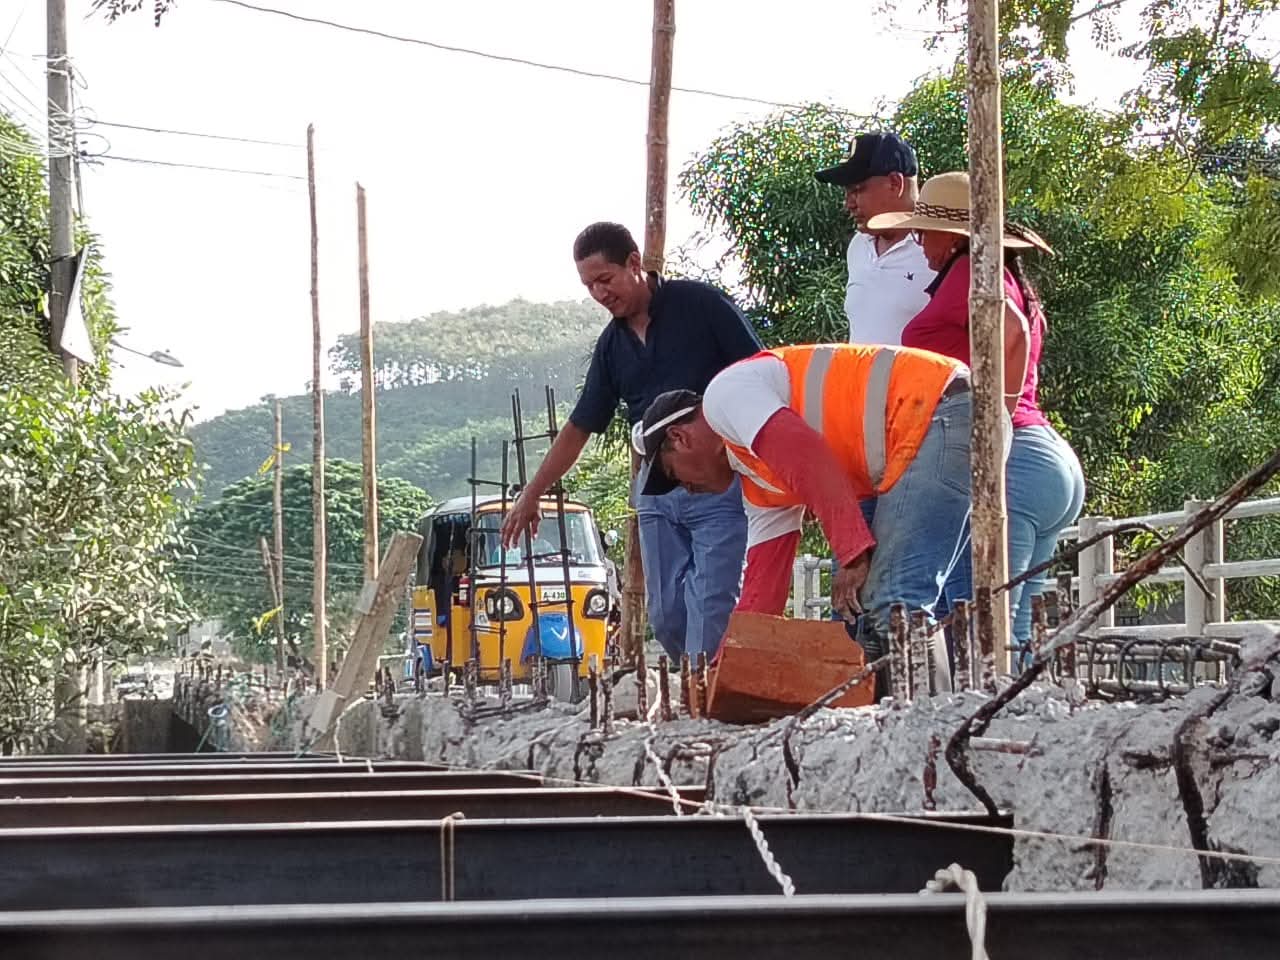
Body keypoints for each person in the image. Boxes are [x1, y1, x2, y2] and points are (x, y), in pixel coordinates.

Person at [634, 344, 978, 695]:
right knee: (871, 608)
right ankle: (904, 713)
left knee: (897, 599)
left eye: (673, 475)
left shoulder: (724, 397)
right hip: (920, 428)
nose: (686, 490)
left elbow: (806, 455)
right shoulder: (759, 481)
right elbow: (762, 596)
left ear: (679, 437)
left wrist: (852, 552)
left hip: (934, 406)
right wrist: (721, 676)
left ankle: (930, 720)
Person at [500, 222, 762, 662]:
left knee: (710, 605)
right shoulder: (611, 347)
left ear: (634, 262)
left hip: (717, 483)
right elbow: (581, 425)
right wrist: (533, 492)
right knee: (667, 615)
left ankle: (705, 692)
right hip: (656, 491)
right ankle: (697, 678)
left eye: (605, 279)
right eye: (589, 286)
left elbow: (761, 371)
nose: (599, 293)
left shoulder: (702, 305)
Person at [868, 171, 1086, 667]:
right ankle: (1021, 708)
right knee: (1013, 628)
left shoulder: (970, 272)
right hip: (1042, 458)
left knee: (981, 620)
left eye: (926, 231)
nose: (918, 241)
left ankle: (987, 711)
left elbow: (1012, 331)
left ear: (953, 237)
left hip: (1016, 457)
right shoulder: (998, 274)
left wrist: (995, 428)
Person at [815, 131, 935, 346]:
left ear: (895, 183)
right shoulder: (858, 246)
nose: (849, 204)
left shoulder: (940, 247)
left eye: (857, 190)